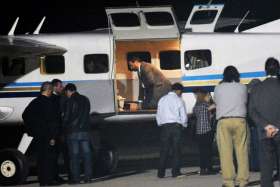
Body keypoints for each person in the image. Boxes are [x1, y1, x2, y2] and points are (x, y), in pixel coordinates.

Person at [214, 66, 249, 187]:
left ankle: (229, 181)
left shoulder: (218, 88)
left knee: (225, 152)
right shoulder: (242, 87)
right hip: (240, 120)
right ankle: (243, 180)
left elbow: (217, 102)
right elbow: (244, 101)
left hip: (224, 121)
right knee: (242, 151)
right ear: (237, 75)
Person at [249, 57, 280, 187]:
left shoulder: (257, 88)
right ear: (278, 69)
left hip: (264, 132)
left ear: (265, 70)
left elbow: (252, 111)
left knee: (266, 171)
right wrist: (277, 126)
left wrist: (267, 126)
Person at [22, 82, 60, 186]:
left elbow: (25, 115)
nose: (51, 93)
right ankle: (48, 180)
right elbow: (52, 122)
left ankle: (42, 181)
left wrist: (32, 130)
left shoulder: (34, 102)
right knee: (48, 159)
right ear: (48, 91)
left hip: (38, 136)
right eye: (51, 91)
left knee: (40, 159)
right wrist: (53, 136)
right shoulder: (48, 103)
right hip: (48, 136)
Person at [62, 83, 93, 184]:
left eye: (65, 92)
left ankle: (76, 179)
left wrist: (64, 126)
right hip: (85, 131)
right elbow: (87, 113)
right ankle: (88, 178)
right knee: (86, 155)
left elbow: (66, 117)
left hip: (73, 132)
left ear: (68, 91)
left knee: (74, 157)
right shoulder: (85, 99)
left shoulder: (69, 101)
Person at [156, 83, 188, 178]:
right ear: (178, 91)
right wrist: (184, 125)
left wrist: (160, 124)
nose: (181, 94)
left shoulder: (162, 99)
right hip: (176, 127)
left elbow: (158, 114)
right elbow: (183, 116)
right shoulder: (179, 100)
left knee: (164, 150)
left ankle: (161, 173)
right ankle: (175, 172)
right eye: (181, 92)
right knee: (176, 150)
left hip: (165, 127)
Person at [193, 88, 216, 175]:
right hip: (207, 130)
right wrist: (210, 100)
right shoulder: (205, 105)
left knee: (202, 151)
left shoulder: (196, 106)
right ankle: (209, 168)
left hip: (199, 131)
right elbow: (215, 106)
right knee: (208, 150)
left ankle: (202, 168)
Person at [50, 79, 68, 183]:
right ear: (55, 87)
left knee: (58, 155)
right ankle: (54, 176)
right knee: (54, 156)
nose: (62, 88)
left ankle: (56, 176)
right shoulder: (53, 99)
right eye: (60, 86)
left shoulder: (58, 97)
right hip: (55, 132)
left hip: (59, 131)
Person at [247, 79, 261, 172]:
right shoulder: (260, 96)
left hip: (253, 124)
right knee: (256, 146)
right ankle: (257, 165)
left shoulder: (250, 97)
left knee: (254, 146)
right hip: (257, 124)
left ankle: (255, 165)